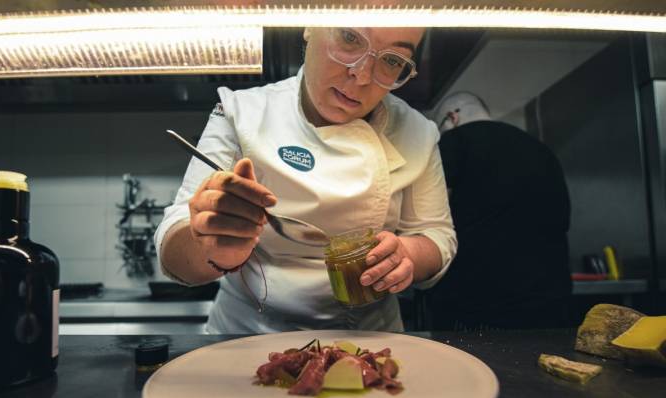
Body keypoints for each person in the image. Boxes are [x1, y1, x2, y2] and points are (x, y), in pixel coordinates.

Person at [155, 27, 457, 334]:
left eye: (392, 60)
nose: (362, 76)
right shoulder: (242, 113)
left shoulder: (417, 131)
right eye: (350, 38)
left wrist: (407, 254)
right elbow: (175, 244)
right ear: (309, 27)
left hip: (367, 341)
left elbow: (436, 234)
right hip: (244, 336)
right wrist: (210, 246)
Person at [427, 92, 572, 329]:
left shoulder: (455, 141)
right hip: (549, 298)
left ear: (452, 117)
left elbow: (432, 217)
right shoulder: (540, 149)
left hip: (478, 302)